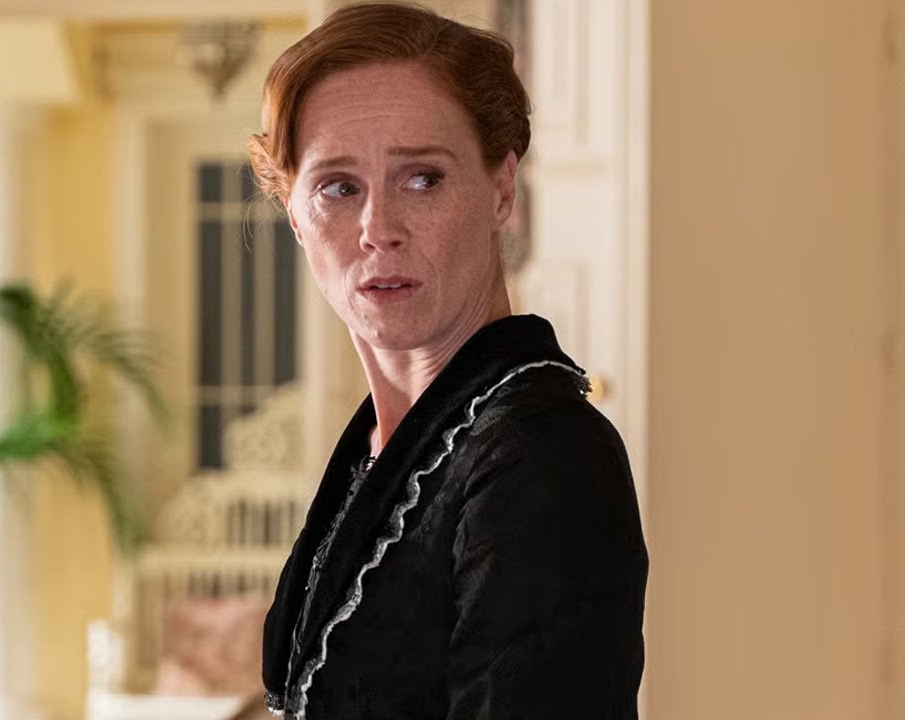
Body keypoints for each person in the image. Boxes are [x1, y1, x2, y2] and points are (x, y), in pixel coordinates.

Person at [247, 3, 648, 718]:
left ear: (501, 190)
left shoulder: (542, 456)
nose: (378, 229)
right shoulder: (382, 450)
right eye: (339, 186)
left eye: (422, 178)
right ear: (297, 217)